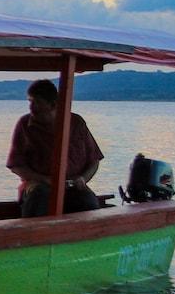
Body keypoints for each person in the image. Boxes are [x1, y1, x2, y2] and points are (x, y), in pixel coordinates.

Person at [7, 78, 105, 217]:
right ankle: (33, 230)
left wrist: (83, 179)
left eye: (37, 102)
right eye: (30, 102)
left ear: (53, 104)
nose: (31, 107)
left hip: (73, 186)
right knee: (39, 197)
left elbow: (94, 160)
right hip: (38, 186)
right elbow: (16, 166)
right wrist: (43, 179)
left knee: (88, 203)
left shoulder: (76, 123)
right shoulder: (24, 124)